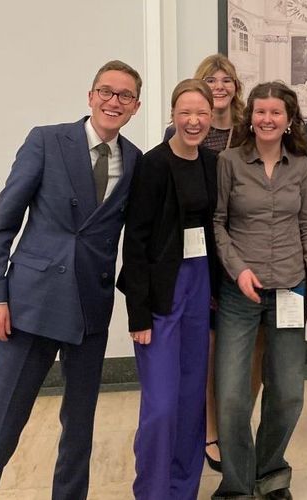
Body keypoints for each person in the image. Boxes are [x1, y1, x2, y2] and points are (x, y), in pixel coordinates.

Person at [0, 60, 143, 500]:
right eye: (105, 91)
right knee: (3, 424)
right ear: (90, 95)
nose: (112, 101)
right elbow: (2, 224)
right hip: (31, 305)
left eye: (124, 96)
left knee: (79, 429)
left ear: (136, 106)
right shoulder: (46, 140)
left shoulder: (135, 160)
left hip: (90, 308)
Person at [212, 81, 307, 500]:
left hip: (291, 290)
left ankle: (272, 473)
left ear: (289, 119)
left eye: (276, 112)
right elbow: (217, 223)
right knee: (232, 396)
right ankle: (237, 485)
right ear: (250, 116)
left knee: (289, 394)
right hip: (239, 294)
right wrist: (238, 269)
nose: (267, 119)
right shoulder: (229, 162)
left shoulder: (301, 166)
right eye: (261, 112)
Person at [117, 79, 218, 500]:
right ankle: (153, 491)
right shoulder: (153, 164)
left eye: (201, 113)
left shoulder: (213, 163)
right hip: (161, 289)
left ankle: (183, 489)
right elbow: (135, 241)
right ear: (173, 116)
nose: (193, 121)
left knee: (193, 397)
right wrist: (137, 313)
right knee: (161, 406)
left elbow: (216, 230)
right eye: (185, 113)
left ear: (211, 118)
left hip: (200, 285)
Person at [165, 54, 250, 472]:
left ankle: (231, 425)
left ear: (236, 86)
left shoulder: (248, 130)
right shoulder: (179, 133)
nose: (220, 86)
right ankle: (208, 428)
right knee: (206, 346)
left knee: (236, 349)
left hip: (242, 249)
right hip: (196, 255)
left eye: (227, 79)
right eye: (210, 80)